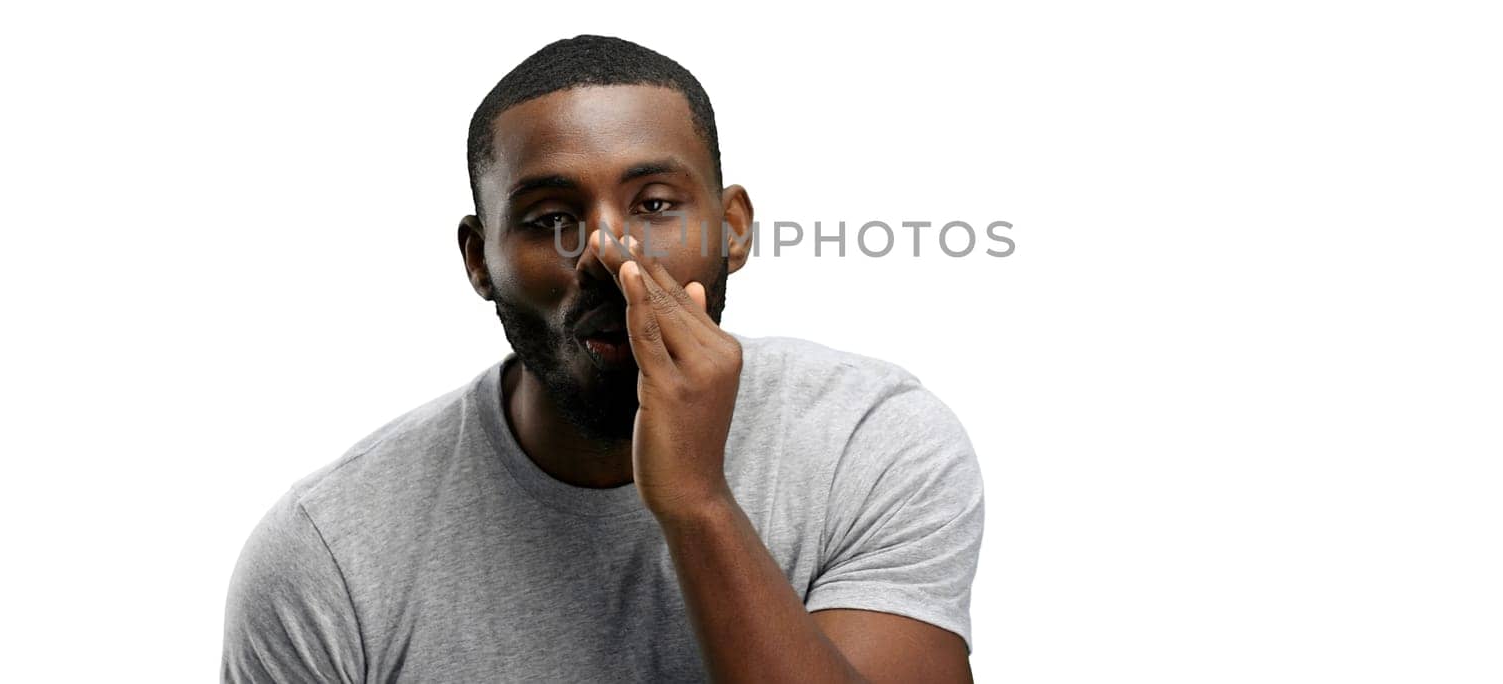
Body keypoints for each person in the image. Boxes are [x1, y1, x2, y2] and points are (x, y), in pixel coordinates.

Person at [221, 35, 985, 682]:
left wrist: (697, 504)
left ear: (733, 230)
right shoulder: (328, 556)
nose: (608, 254)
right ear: (479, 260)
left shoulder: (874, 446)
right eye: (551, 217)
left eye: (654, 204)